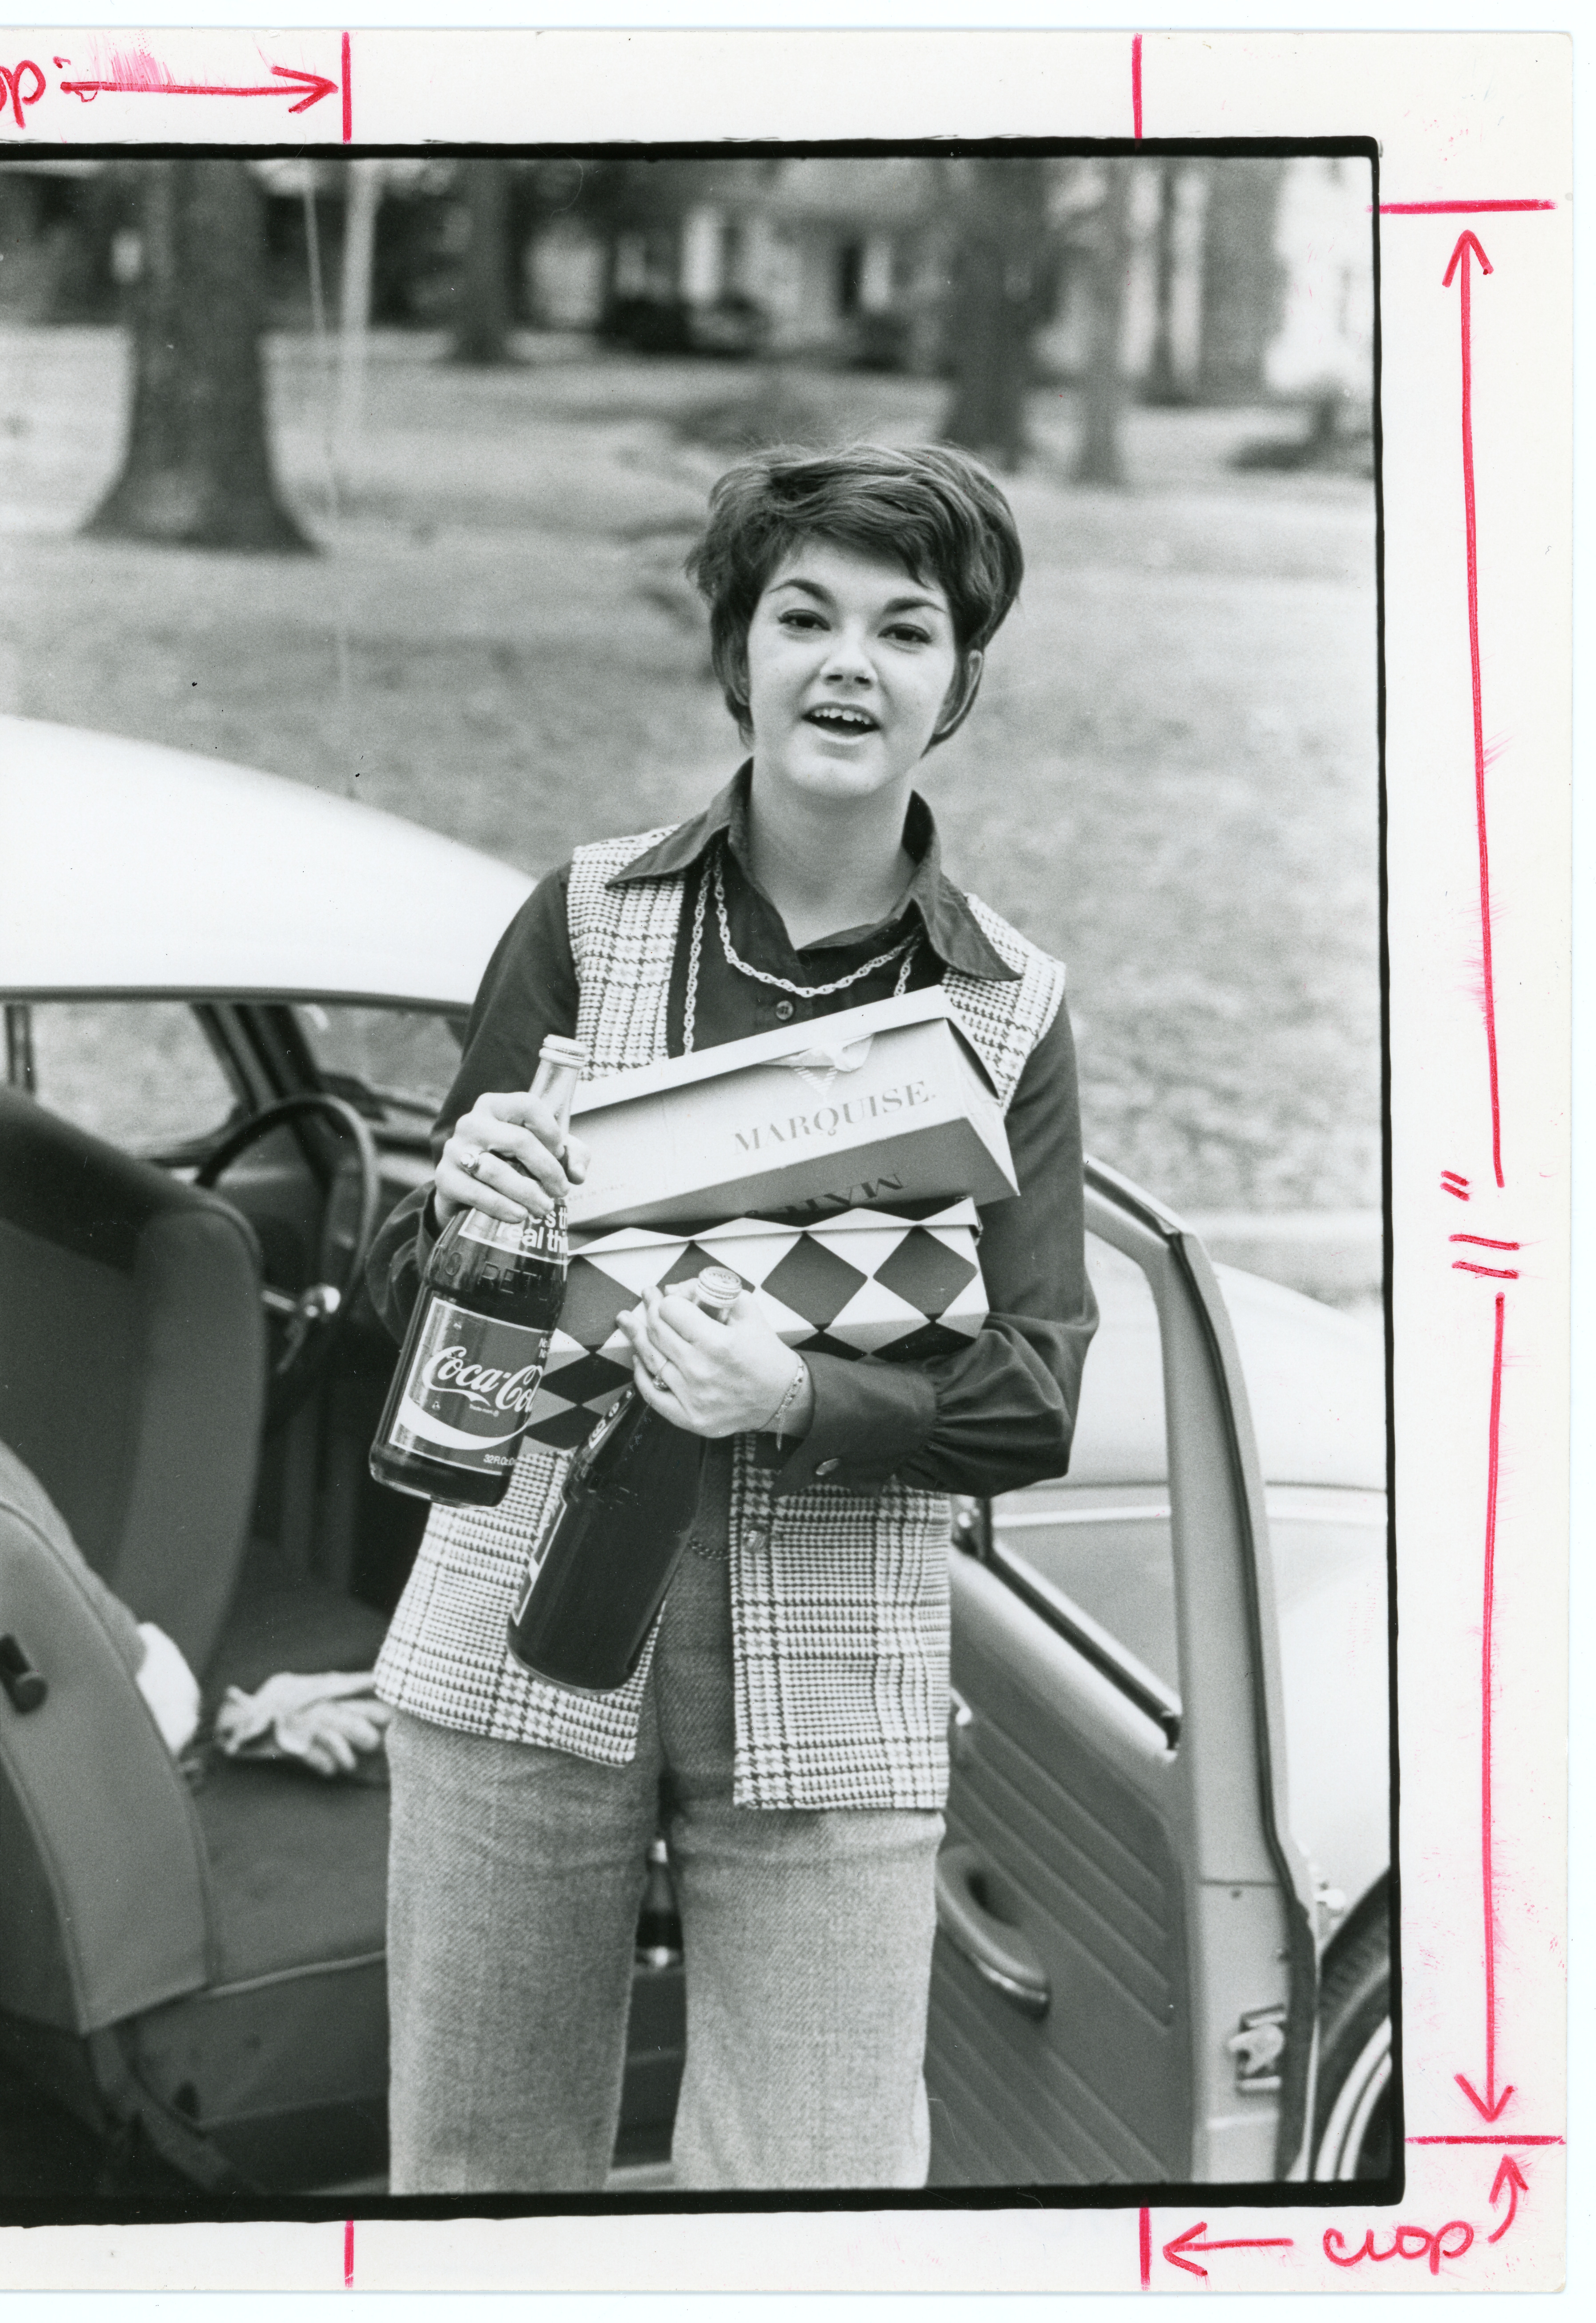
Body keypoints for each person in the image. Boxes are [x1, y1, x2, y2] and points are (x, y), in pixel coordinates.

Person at [365, 441, 1097, 2194]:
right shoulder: (586, 915)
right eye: (804, 616)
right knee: (477, 2177)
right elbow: (416, 1302)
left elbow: (1036, 1394)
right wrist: (463, 1210)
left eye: (905, 629)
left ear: (957, 683)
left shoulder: (1009, 1005)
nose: (851, 663)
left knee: (821, 2203)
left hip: (833, 1682)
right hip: (520, 1622)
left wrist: (801, 1394)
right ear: (739, 653)